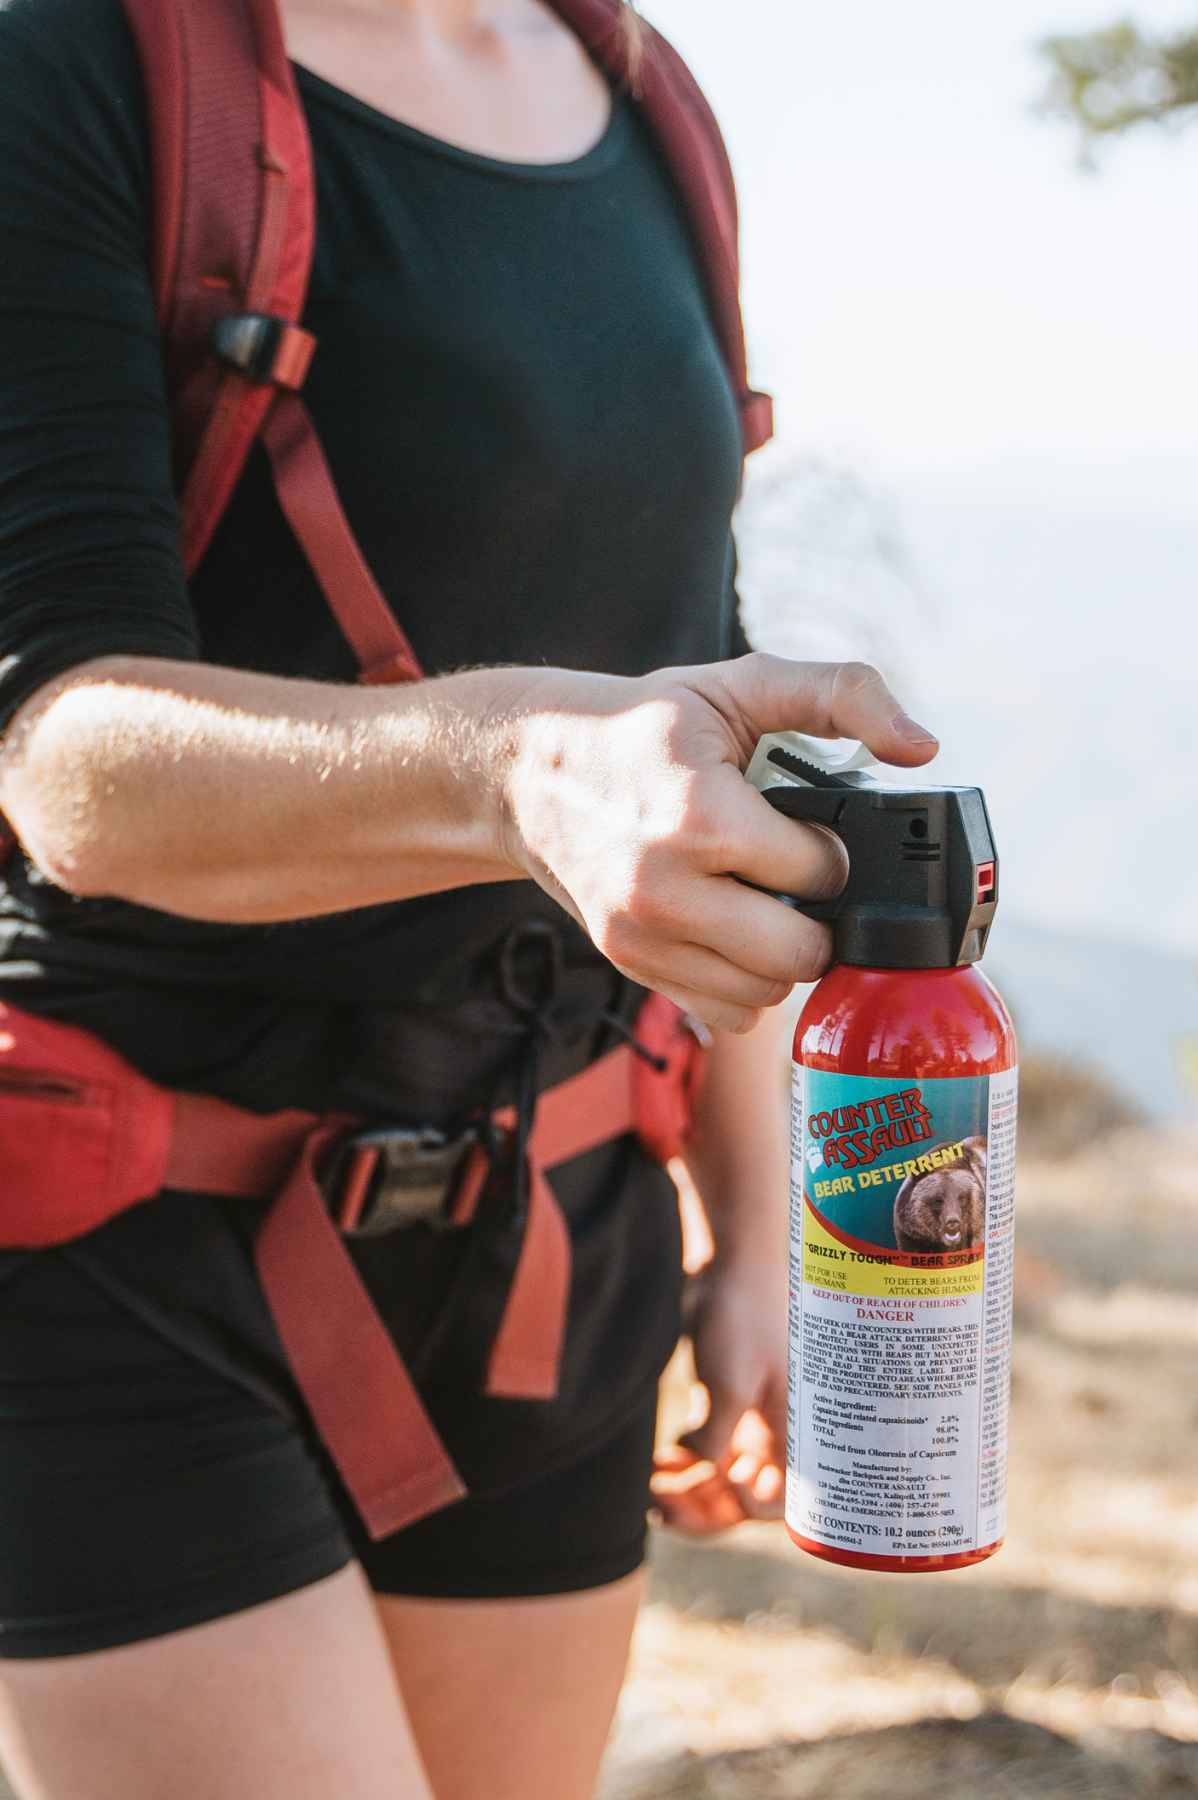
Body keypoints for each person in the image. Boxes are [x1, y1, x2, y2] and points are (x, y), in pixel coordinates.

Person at [0, 1, 939, 1795]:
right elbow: (58, 755)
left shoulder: (638, 90)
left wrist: (758, 1230)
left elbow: (693, 703)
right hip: (134, 1239)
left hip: (560, 1225)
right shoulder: (80, 65)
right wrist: (509, 771)